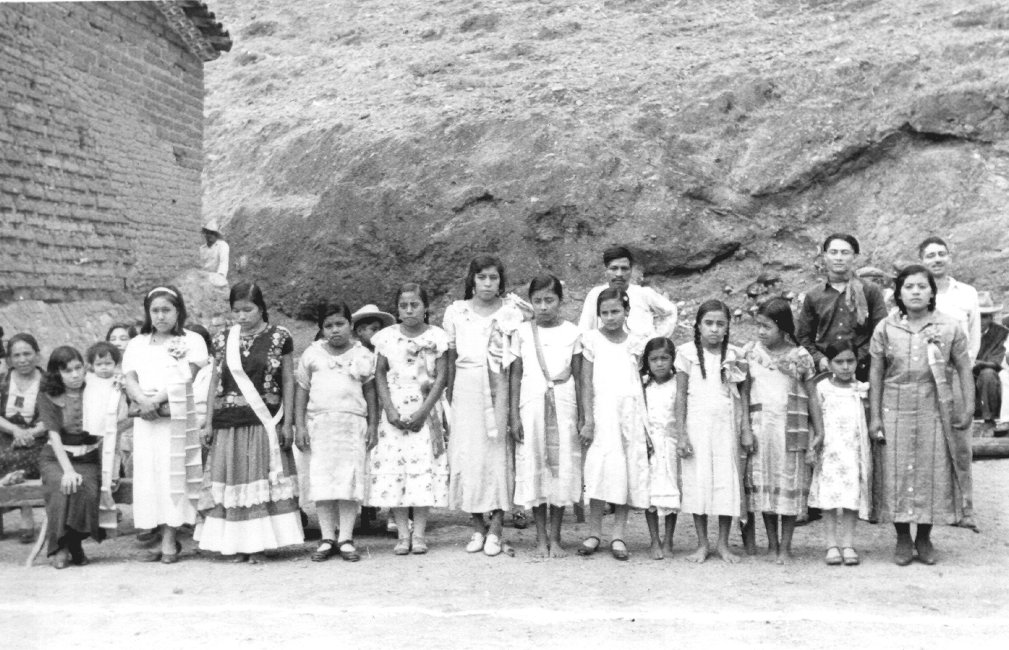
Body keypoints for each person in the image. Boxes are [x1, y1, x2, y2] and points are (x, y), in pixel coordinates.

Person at [869, 264, 975, 566]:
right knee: (896, 471)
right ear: (899, 294)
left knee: (932, 470)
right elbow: (877, 372)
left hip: (935, 408)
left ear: (932, 292)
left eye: (922, 286)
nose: (916, 292)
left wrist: (968, 408)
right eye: (909, 287)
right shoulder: (886, 328)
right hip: (894, 406)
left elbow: (965, 368)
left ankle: (925, 537)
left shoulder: (950, 326)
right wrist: (875, 416)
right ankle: (902, 537)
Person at [198, 282, 303, 563]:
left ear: (261, 308)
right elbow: (214, 382)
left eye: (248, 310)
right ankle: (237, 545)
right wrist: (208, 422)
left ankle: (258, 545)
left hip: (265, 422)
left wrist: (288, 423)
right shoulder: (222, 339)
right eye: (236, 311)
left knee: (259, 483)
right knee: (235, 482)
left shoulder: (280, 337)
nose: (241, 316)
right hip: (229, 422)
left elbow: (288, 381)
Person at [443, 255, 525, 557]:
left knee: (496, 455)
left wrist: (513, 406)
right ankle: (477, 525)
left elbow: (516, 362)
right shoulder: (456, 312)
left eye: (493, 277)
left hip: (498, 386)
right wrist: (450, 398)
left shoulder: (511, 312)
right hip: (465, 388)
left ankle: (497, 526)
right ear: (472, 280)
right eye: (482, 277)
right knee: (468, 455)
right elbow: (450, 358)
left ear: (501, 280)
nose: (488, 283)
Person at [122, 286, 209, 564]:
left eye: (166, 310)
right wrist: (140, 400)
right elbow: (130, 377)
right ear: (148, 313)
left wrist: (155, 401)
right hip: (146, 421)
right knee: (150, 477)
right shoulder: (137, 343)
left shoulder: (192, 340)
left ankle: (172, 539)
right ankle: (159, 535)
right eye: (155, 310)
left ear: (178, 311)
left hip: (174, 418)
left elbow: (187, 376)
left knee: (173, 476)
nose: (161, 316)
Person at [369, 284, 451, 555]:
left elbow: (441, 377)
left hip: (424, 410)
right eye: (403, 305)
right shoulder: (386, 337)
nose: (409, 310)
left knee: (421, 470)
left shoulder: (438, 337)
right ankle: (402, 534)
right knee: (396, 471)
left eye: (414, 305)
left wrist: (423, 412)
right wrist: (389, 410)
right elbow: (380, 373)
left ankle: (420, 534)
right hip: (394, 410)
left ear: (425, 307)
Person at [741, 298, 824, 564]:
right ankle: (772, 544)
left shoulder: (800, 356)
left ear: (782, 326)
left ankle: (786, 546)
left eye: (767, 327)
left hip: (790, 427)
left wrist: (818, 431)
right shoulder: (750, 353)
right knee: (765, 487)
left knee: (787, 482)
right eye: (759, 326)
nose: (761, 332)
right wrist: (745, 427)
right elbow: (743, 394)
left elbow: (812, 395)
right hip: (760, 427)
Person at [295, 300, 379, 562]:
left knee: (347, 481)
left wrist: (374, 424)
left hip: (352, 425)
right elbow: (302, 391)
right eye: (328, 325)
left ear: (350, 325)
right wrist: (299, 425)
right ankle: (327, 536)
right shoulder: (312, 355)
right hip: (320, 426)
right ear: (321, 328)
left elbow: (370, 392)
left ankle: (345, 537)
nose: (335, 330)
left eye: (340, 324)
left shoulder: (362, 355)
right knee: (323, 482)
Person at [508, 275, 582, 558]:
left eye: (549, 300)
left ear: (560, 301)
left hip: (563, 407)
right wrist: (514, 415)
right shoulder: (522, 332)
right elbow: (515, 374)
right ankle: (540, 538)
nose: (543, 306)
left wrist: (583, 416)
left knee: (561, 469)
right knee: (536, 466)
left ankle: (556, 537)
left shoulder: (573, 333)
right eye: (537, 301)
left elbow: (578, 374)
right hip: (532, 407)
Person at [675, 300, 751, 564]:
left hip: (725, 427)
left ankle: (723, 544)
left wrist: (745, 429)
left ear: (728, 326)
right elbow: (681, 396)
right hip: (697, 427)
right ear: (698, 325)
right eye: (708, 323)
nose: (714, 329)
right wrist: (682, 433)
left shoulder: (736, 355)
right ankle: (702, 544)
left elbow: (743, 395)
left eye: (720, 324)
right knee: (699, 483)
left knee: (726, 483)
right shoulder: (685, 353)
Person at [577, 287, 650, 561]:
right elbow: (585, 382)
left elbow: (642, 380)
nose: (610, 317)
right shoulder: (592, 340)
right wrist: (588, 419)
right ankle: (594, 532)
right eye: (605, 313)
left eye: (615, 311)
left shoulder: (636, 343)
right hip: (601, 414)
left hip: (629, 415)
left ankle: (619, 534)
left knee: (625, 471)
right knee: (599, 471)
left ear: (626, 312)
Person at [36, 347, 105, 568]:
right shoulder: (47, 394)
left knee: (86, 489)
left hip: (87, 458)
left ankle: (74, 543)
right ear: (57, 373)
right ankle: (61, 547)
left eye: (78, 368)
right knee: (62, 487)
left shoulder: (96, 388)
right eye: (67, 371)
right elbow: (53, 435)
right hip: (56, 459)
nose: (75, 375)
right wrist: (67, 470)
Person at [808, 341, 872, 566]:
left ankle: (848, 543)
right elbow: (816, 420)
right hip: (831, 451)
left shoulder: (861, 389)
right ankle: (831, 544)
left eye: (850, 361)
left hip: (853, 451)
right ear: (830, 363)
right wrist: (816, 442)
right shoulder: (823, 388)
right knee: (830, 497)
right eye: (839, 362)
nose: (845, 366)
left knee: (850, 497)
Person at [796, 234, 888, 381]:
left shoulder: (870, 291)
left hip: (863, 371)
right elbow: (803, 336)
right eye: (833, 252)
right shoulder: (814, 295)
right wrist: (820, 359)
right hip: (825, 372)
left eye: (845, 253)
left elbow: (881, 331)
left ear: (855, 257)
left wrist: (857, 358)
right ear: (825, 256)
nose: (839, 258)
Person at [0, 333, 47, 543]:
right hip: (6, 435)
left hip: (38, 438)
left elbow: (55, 415)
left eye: (27, 353)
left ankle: (27, 514)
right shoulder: (3, 380)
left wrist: (31, 433)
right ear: (9, 359)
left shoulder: (48, 381)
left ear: (37, 355)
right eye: (16, 355)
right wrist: (15, 431)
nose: (22, 359)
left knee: (24, 459)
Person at [578, 245, 677, 339]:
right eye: (614, 268)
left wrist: (656, 338)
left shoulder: (643, 293)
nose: (619, 274)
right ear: (606, 271)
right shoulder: (596, 294)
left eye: (624, 269)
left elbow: (671, 311)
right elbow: (585, 329)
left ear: (631, 270)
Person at [641, 337, 679, 561]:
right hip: (651, 445)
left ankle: (669, 538)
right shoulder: (644, 386)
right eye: (654, 359)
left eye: (665, 358)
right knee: (651, 494)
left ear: (672, 360)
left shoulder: (678, 384)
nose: (660, 364)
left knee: (671, 492)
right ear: (647, 361)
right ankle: (654, 539)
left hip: (671, 443)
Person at [84, 342, 129, 531]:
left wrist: (116, 424)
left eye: (108, 364)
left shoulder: (118, 382)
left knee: (110, 466)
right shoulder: (88, 380)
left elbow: (123, 407)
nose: (104, 368)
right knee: (93, 469)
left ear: (116, 364)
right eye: (99, 364)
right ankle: (94, 512)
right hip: (91, 433)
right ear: (91, 366)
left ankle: (110, 505)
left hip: (111, 431)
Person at [919, 236, 980, 363]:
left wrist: (967, 366)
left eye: (941, 254)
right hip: (923, 369)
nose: (937, 259)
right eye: (930, 256)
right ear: (922, 262)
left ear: (949, 258)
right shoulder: (915, 294)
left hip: (960, 366)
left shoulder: (968, 292)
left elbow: (974, 336)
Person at [973, 292, 1008, 432]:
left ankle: (989, 418)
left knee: (987, 374)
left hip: (990, 373)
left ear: (991, 317)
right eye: (978, 316)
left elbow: (998, 361)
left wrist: (978, 363)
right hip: (967, 370)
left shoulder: (1001, 332)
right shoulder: (964, 330)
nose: (981, 321)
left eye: (985, 317)